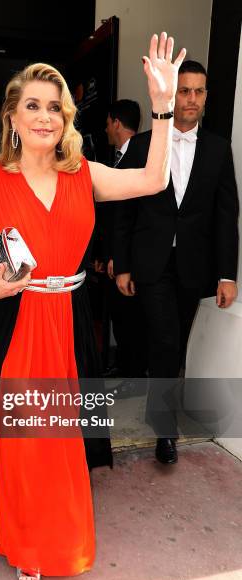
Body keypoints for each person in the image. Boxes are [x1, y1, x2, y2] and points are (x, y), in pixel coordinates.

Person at [0, 33, 186, 580]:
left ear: (66, 118)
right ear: (11, 116)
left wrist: (163, 105)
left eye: (54, 107)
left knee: (65, 446)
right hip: (18, 321)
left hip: (71, 321)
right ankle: (25, 543)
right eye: (31, 105)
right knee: (27, 447)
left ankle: (62, 540)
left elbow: (153, 179)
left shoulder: (84, 174)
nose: (44, 116)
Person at [113, 60, 239, 464]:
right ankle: (164, 428)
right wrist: (123, 263)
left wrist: (226, 274)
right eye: (184, 90)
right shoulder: (141, 145)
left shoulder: (219, 149)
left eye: (198, 91)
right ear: (172, 94)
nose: (191, 98)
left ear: (205, 98)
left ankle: (159, 403)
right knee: (166, 338)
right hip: (151, 263)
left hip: (193, 265)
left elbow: (225, 216)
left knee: (174, 339)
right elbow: (125, 211)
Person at [94, 100, 148, 392]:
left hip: (129, 259)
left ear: (116, 122)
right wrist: (104, 255)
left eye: (107, 123)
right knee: (120, 317)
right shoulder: (115, 159)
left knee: (131, 320)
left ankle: (135, 377)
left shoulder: (141, 160)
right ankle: (128, 368)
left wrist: (119, 257)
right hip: (113, 257)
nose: (105, 129)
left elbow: (131, 215)